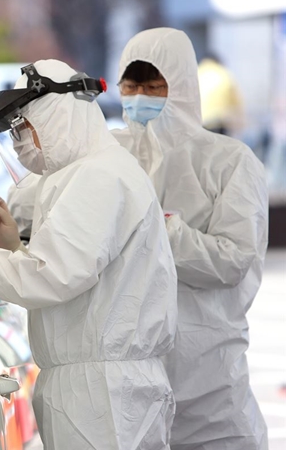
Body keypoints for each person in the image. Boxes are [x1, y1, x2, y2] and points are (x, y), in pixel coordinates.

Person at [0, 59, 178, 449]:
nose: (18, 141)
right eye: (12, 132)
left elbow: (54, 275)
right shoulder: (85, 173)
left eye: (23, 126)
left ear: (57, 114)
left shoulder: (99, 176)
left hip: (103, 396)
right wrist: (16, 248)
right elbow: (79, 273)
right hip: (95, 389)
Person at [109, 28, 268, 449]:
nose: (140, 95)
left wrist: (160, 229)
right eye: (132, 85)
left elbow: (233, 260)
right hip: (130, 381)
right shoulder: (111, 157)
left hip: (209, 377)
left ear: (179, 84)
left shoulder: (229, 162)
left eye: (154, 85)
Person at [197, 54, 244, 136]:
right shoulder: (225, 74)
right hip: (218, 122)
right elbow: (237, 104)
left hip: (198, 122)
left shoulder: (196, 73)